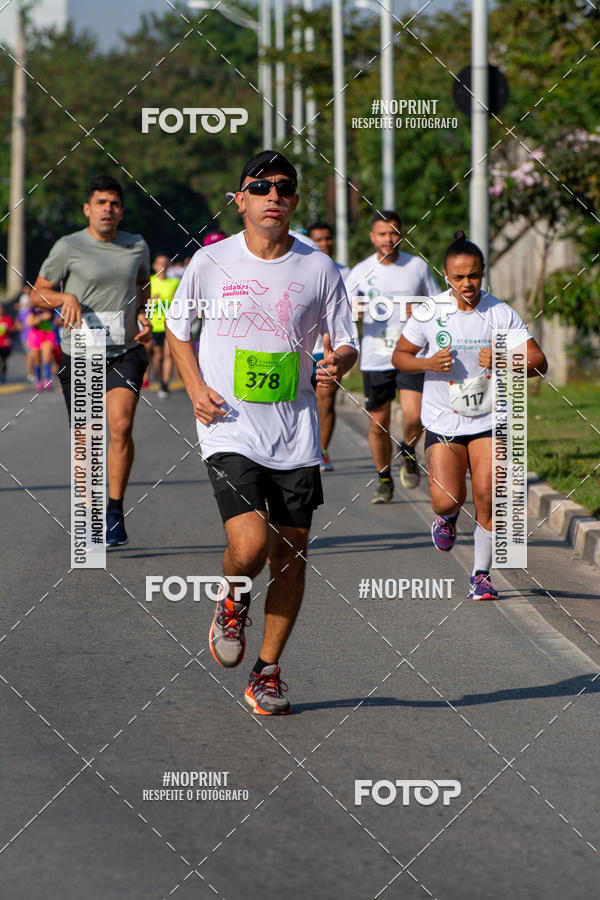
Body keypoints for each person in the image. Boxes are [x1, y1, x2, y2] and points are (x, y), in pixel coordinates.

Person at [166, 150, 358, 715]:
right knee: (249, 546)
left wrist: (339, 363)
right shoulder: (211, 262)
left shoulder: (319, 267)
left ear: (295, 201)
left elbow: (344, 338)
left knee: (291, 555)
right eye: (262, 186)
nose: (274, 195)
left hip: (294, 430)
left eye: (284, 187)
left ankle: (267, 673)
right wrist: (196, 387)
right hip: (229, 425)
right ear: (241, 199)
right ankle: (232, 600)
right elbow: (178, 330)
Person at [393, 230, 547, 601]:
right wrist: (428, 362)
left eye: (474, 275)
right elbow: (400, 356)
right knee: (448, 499)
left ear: (482, 273)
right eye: (459, 277)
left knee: (488, 495)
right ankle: (445, 518)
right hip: (444, 420)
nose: (468, 284)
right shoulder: (430, 312)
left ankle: (481, 575)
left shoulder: (500, 312)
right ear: (446, 276)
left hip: (489, 420)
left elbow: (539, 363)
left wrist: (503, 360)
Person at [31, 175, 152, 547]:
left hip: (124, 351)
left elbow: (142, 285)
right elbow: (36, 294)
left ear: (121, 210)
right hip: (81, 349)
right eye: (101, 202)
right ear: (88, 208)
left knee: (121, 424)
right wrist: (64, 299)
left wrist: (144, 316)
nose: (108, 210)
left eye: (114, 203)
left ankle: (113, 510)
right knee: (87, 439)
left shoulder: (136, 245)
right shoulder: (68, 247)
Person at [347, 211, 440, 502]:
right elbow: (342, 308)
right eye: (383, 233)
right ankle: (384, 480)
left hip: (412, 352)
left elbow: (439, 304)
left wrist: (423, 309)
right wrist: (355, 310)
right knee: (378, 423)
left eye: (394, 232)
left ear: (402, 234)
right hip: (377, 356)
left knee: (415, 415)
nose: (389, 239)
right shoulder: (361, 270)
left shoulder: (417, 267)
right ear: (373, 237)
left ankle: (408, 449)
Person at [307, 221, 351, 472]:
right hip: (301, 348)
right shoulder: (300, 269)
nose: (324, 244)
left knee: (326, 398)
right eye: (318, 240)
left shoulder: (345, 272)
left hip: (329, 349)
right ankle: (302, 450)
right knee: (302, 401)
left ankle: (322, 451)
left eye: (327, 239)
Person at [149, 253, 180, 399]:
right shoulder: (149, 282)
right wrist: (151, 300)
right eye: (159, 263)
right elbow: (142, 304)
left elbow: (181, 303)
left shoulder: (174, 283)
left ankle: (165, 383)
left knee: (168, 354)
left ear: (169, 266)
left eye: (165, 263)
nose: (162, 266)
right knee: (158, 355)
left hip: (170, 324)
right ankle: (160, 378)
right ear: (154, 266)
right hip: (154, 325)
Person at [25, 305, 60, 390]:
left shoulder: (51, 307)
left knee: (47, 357)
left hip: (48, 334)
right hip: (36, 334)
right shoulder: (34, 308)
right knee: (37, 359)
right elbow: (29, 322)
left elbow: (57, 321)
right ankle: (39, 380)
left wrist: (57, 321)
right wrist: (41, 317)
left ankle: (47, 380)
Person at [0, 304, 15, 384]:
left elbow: (13, 329)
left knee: (4, 361)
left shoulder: (7, 319)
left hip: (5, 344)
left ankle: (3, 375)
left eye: (1, 309)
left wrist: (7, 329)